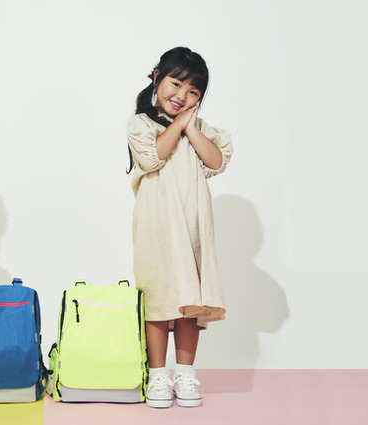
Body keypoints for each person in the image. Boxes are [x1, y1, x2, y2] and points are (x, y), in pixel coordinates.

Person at [127, 47, 233, 408]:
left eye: (193, 92)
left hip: (193, 226)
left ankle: (185, 374)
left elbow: (215, 161)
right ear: (157, 77)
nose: (182, 96)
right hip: (156, 227)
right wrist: (178, 125)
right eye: (176, 84)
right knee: (158, 296)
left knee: (191, 299)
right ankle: (158, 376)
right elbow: (153, 156)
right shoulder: (141, 124)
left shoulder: (199, 129)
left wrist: (190, 126)